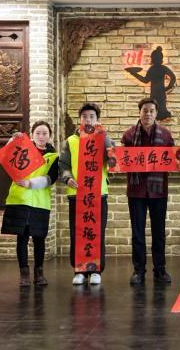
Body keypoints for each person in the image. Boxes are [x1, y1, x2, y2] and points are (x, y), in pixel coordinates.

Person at [123, 97, 176, 284]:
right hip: (136, 190)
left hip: (158, 190)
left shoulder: (166, 135)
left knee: (159, 232)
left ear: (156, 113)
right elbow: (122, 160)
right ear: (139, 112)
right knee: (137, 233)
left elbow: (174, 160)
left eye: (152, 111)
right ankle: (138, 270)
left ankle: (160, 270)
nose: (148, 114)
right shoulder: (129, 135)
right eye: (145, 110)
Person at [59, 102, 114, 285]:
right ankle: (79, 270)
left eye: (91, 117)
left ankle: (96, 270)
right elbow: (63, 165)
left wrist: (103, 137)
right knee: (78, 233)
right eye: (84, 117)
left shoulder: (104, 138)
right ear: (80, 119)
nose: (88, 120)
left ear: (97, 120)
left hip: (98, 194)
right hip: (77, 194)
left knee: (98, 232)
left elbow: (113, 160)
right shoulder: (71, 141)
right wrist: (67, 178)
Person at [1, 121, 58, 287]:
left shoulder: (54, 157)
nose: (41, 136)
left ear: (50, 136)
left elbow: (51, 178)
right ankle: (24, 273)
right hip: (20, 199)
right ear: (32, 134)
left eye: (45, 133)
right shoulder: (23, 149)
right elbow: (6, 156)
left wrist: (30, 183)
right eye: (38, 133)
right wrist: (13, 140)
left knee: (39, 238)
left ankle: (39, 273)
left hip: (40, 202)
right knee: (22, 238)